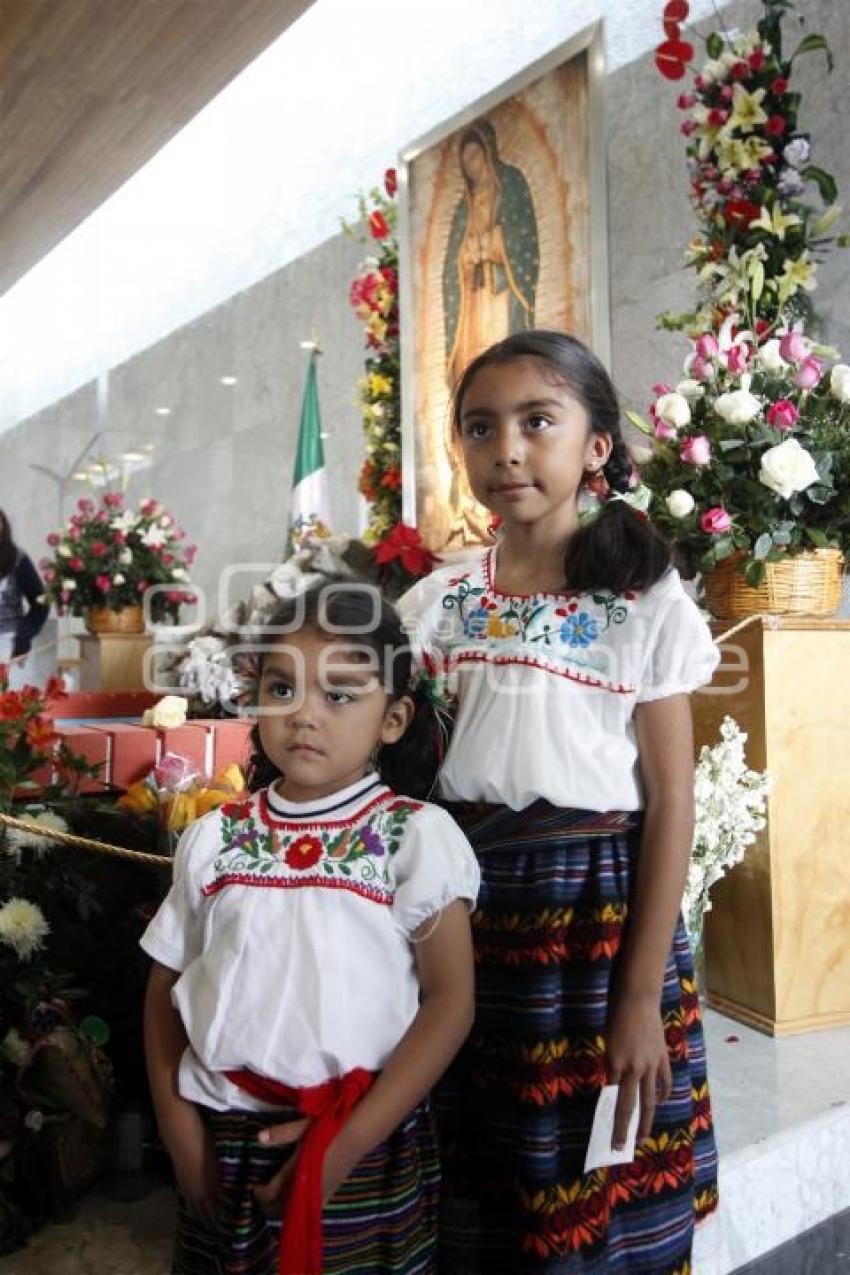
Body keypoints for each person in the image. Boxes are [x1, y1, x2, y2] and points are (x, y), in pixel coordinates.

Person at [398, 330, 720, 1273]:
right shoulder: (436, 605)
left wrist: (637, 996)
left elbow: (670, 805)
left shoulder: (646, 600)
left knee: (592, 1166)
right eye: (481, 427)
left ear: (595, 445)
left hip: (594, 924)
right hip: (464, 915)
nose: (507, 449)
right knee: (480, 1162)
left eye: (538, 421)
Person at [141, 578, 479, 1275]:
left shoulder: (412, 838)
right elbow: (163, 989)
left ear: (393, 717)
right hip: (222, 1138)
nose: (304, 716)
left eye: (340, 694)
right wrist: (180, 1133)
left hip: (361, 1140)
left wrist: (342, 1148)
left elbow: (451, 1002)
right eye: (283, 687)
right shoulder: (216, 836)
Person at [0, 509, 49, 681]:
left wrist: (24, 636)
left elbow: (41, 602)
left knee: (11, 702)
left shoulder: (17, 559)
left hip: (9, 644)